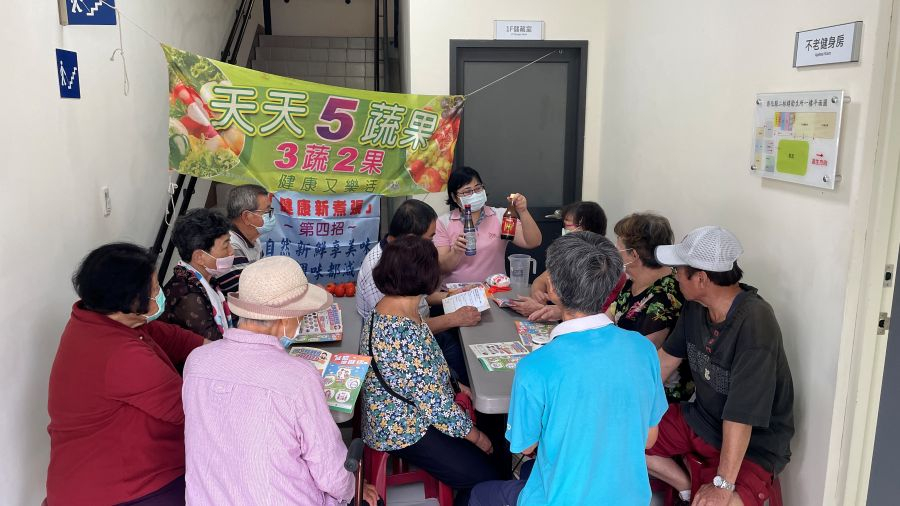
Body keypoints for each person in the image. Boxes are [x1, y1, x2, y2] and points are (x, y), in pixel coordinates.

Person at [469, 232, 667, 505]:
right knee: (531, 471)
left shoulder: (535, 366)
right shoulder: (643, 349)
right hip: (630, 498)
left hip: (559, 498)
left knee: (479, 495)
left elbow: (526, 446)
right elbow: (648, 439)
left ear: (552, 288)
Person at [183, 256, 379, 505]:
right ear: (286, 320)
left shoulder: (197, 361)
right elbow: (331, 473)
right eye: (302, 315)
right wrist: (354, 488)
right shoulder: (299, 377)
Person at [47, 243, 206, 505]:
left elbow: (176, 338)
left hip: (115, 467)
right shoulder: (119, 354)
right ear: (128, 302)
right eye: (154, 291)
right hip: (120, 488)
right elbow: (191, 409)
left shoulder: (103, 320)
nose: (160, 294)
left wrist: (222, 351)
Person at [647, 226, 794, 506]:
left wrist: (723, 485)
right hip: (703, 420)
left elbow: (741, 417)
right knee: (622, 435)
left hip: (755, 445)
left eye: (678, 270)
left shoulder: (755, 322)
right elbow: (663, 362)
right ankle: (685, 486)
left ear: (701, 278)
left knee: (720, 503)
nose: (674, 276)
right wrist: (621, 406)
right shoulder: (695, 307)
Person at [360, 236, 498, 506]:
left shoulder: (392, 308)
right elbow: (436, 407)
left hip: (404, 412)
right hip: (402, 428)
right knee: (486, 478)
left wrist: (457, 386)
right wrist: (476, 437)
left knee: (490, 436)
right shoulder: (403, 332)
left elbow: (429, 368)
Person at [357, 199, 481, 384]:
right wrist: (454, 319)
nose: (432, 244)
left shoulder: (398, 259)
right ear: (410, 239)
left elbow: (417, 296)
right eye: (430, 238)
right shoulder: (380, 271)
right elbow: (404, 330)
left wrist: (451, 295)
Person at [607, 212, 692, 402]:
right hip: (621, 369)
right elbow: (609, 316)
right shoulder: (633, 280)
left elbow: (641, 355)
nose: (616, 252)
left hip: (654, 393)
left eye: (619, 248)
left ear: (634, 255)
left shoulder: (667, 296)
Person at [507, 200, 621, 317]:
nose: (565, 230)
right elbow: (541, 280)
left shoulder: (601, 263)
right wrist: (538, 292)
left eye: (568, 226)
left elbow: (589, 312)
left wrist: (544, 309)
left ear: (586, 228)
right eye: (564, 224)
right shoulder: (568, 255)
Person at [433, 166, 542, 285]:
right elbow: (441, 267)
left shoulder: (500, 217)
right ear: (454, 197)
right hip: (456, 291)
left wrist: (522, 211)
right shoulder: (443, 222)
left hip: (495, 289)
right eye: (467, 191)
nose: (474, 194)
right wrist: (456, 252)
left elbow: (531, 242)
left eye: (478, 188)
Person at [161, 208, 234, 341]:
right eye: (225, 246)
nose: (231, 251)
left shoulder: (205, 279)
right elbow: (213, 347)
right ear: (200, 257)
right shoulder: (188, 296)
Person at [215, 184, 274, 296]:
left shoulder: (254, 239)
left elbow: (265, 276)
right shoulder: (230, 246)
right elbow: (245, 294)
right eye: (266, 212)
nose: (271, 216)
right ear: (247, 216)